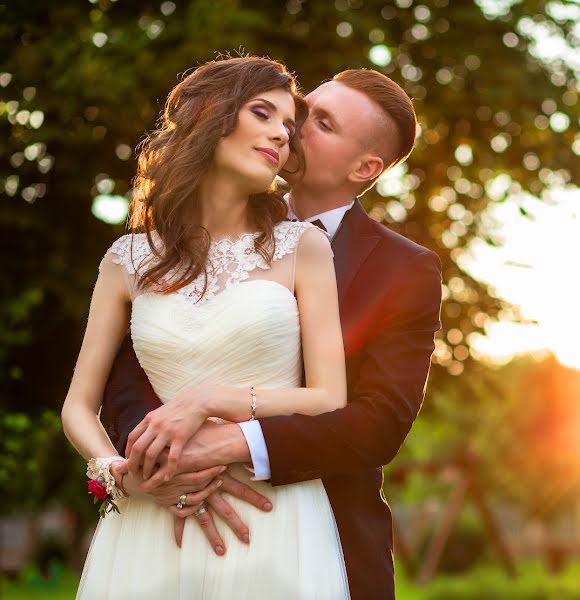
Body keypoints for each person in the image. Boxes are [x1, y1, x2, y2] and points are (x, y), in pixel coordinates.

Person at [100, 62, 443, 598]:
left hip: (315, 538)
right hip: (170, 519)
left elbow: (379, 423)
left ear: (364, 167)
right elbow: (127, 376)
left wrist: (232, 441)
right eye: (302, 111)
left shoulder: (403, 270)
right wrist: (153, 463)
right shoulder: (186, 235)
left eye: (322, 124)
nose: (292, 129)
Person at [63, 56, 352, 598]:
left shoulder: (303, 248)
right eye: (262, 113)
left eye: (288, 128)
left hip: (274, 515)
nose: (279, 135)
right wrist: (121, 476)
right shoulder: (126, 260)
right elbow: (79, 405)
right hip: (150, 518)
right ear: (210, 115)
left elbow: (329, 397)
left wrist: (210, 399)